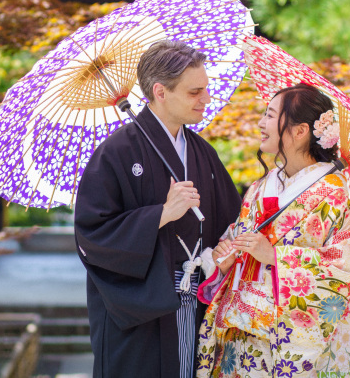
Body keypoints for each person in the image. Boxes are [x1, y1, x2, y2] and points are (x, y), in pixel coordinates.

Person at [74, 40, 243, 378]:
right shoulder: (116, 153)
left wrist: (224, 251)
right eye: (195, 92)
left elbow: (233, 221)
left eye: (205, 89)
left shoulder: (202, 153)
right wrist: (161, 214)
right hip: (142, 306)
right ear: (160, 92)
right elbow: (91, 234)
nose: (206, 99)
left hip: (198, 298)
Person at [195, 83, 350, 378]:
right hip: (239, 334)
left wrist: (276, 257)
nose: (260, 123)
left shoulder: (333, 193)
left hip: (290, 339)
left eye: (270, 115)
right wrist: (225, 257)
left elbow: (348, 264)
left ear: (300, 131)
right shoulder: (259, 188)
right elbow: (235, 241)